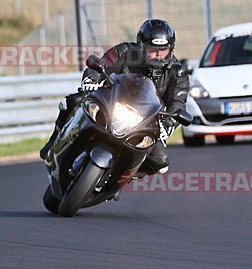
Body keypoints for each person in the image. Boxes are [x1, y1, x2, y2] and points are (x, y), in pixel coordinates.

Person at [39, 19, 189, 175]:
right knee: (72, 101)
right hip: (112, 103)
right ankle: (54, 141)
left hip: (146, 121)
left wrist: (168, 124)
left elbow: (178, 103)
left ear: (171, 49)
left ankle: (120, 177)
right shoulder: (124, 52)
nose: (158, 55)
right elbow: (100, 65)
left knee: (160, 163)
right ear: (142, 47)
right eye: (153, 49)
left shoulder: (178, 72)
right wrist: (91, 79)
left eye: (163, 50)